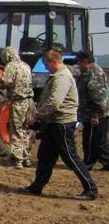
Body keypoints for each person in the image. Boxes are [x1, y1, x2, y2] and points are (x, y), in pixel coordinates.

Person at [23, 49, 99, 200]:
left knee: (70, 157)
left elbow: (54, 103)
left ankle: (91, 190)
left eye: (46, 64)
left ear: (53, 61)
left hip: (62, 123)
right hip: (53, 122)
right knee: (45, 156)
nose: (45, 67)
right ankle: (37, 187)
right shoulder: (57, 76)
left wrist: (37, 116)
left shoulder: (62, 78)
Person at [0, 46, 34, 168]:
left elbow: (5, 82)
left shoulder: (11, 66)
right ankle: (26, 157)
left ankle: (18, 160)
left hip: (18, 102)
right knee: (25, 130)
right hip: (30, 102)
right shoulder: (26, 65)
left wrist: (0, 85)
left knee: (16, 129)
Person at [75, 50, 109, 171]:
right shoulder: (88, 72)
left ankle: (88, 162)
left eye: (79, 62)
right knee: (97, 140)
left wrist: (95, 115)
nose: (78, 65)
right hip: (90, 113)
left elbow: (98, 96)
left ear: (85, 61)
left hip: (96, 114)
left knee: (92, 141)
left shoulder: (94, 73)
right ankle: (103, 161)